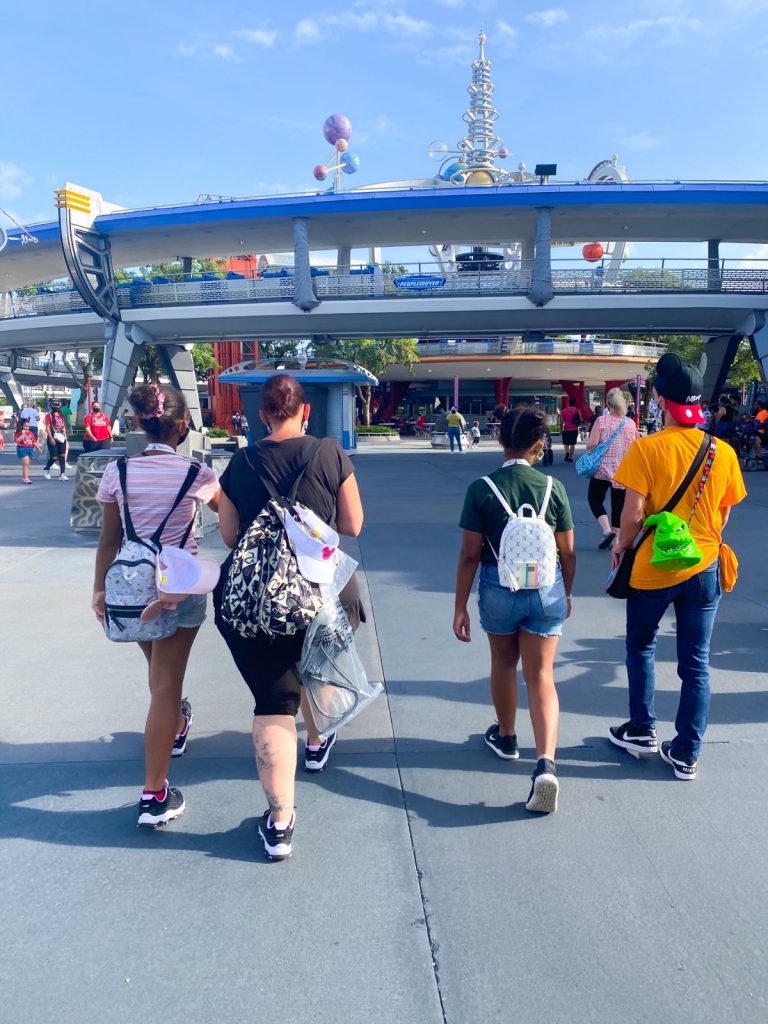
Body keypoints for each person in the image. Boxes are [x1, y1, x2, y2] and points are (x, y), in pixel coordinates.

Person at [214, 374, 365, 860]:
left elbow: (230, 535)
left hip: (261, 601)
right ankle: (319, 740)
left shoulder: (240, 462)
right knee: (315, 662)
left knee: (275, 702)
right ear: (307, 412)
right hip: (320, 592)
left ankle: (280, 822)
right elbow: (353, 524)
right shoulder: (328, 453)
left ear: (263, 416)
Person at [609, 354, 746, 780]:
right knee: (696, 663)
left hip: (653, 570)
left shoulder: (647, 449)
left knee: (641, 646)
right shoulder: (721, 452)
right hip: (705, 569)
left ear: (659, 398)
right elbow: (724, 515)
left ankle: (642, 729)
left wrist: (620, 545)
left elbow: (631, 516)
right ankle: (686, 752)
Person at [92, 383, 220, 827]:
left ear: (140, 424)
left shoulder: (117, 471)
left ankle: (176, 725)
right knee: (166, 684)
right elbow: (229, 516)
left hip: (129, 585)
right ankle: (154, 793)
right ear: (182, 425)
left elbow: (109, 538)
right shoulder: (197, 474)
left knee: (158, 676)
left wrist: (99, 591)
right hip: (177, 587)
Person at [453, 405, 576, 814]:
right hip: (545, 588)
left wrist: (460, 607)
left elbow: (470, 555)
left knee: (503, 664)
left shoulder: (481, 489)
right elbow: (568, 551)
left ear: (500, 439)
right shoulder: (552, 489)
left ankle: (506, 737)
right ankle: (546, 765)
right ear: (539, 447)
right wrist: (566, 592)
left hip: (498, 588)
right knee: (541, 675)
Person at [586, 388, 638, 550]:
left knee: (594, 499)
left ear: (608, 404)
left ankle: (606, 530)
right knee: (618, 505)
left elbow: (592, 444)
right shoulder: (630, 423)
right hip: (623, 470)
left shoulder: (601, 421)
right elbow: (636, 446)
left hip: (602, 469)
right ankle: (615, 540)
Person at [43, 399, 69, 480]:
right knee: (54, 456)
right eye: (54, 405)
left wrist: (65, 437)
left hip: (61, 436)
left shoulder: (61, 415)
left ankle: (62, 474)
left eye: (57, 405)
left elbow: (63, 426)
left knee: (62, 455)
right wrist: (51, 438)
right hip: (53, 435)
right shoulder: (49, 415)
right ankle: (47, 469)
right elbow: (47, 428)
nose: (56, 407)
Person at [14, 420, 42, 484]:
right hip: (22, 448)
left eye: (28, 426)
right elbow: (17, 441)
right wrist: (22, 435)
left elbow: (34, 442)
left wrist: (38, 448)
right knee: (26, 464)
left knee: (27, 465)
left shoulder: (30, 433)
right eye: (25, 426)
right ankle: (26, 478)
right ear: (22, 426)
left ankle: (25, 478)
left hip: (30, 449)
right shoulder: (19, 432)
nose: (27, 427)